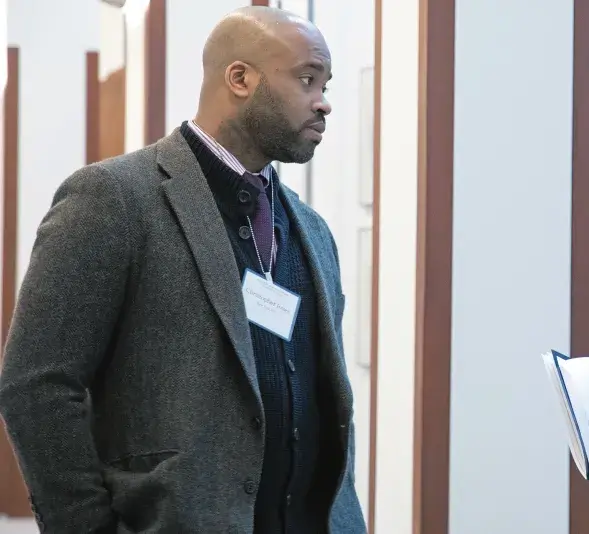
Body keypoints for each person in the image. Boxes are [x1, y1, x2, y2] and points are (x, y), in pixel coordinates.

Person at [0, 6, 365, 534]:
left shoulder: (313, 232)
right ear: (240, 78)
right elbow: (36, 383)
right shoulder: (115, 199)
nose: (324, 101)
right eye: (308, 79)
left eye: (326, 84)